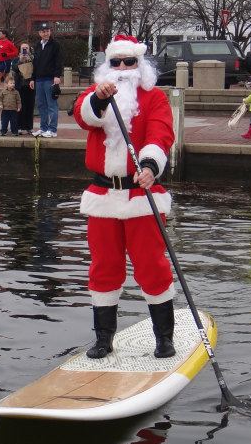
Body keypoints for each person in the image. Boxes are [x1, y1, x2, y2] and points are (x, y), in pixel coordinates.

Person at [72, 34, 177, 360]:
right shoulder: (96, 94)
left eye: (128, 62)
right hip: (103, 195)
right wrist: (100, 100)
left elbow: (162, 132)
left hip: (140, 196)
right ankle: (104, 339)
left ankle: (164, 338)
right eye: (115, 62)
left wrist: (149, 165)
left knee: (152, 267)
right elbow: (82, 116)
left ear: (139, 65)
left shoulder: (154, 97)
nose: (121, 68)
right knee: (103, 267)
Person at [29, 23, 62, 138]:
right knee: (41, 105)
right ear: (39, 33)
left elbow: (58, 60)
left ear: (50, 32)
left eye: (47, 30)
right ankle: (43, 128)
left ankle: (52, 130)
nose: (45, 33)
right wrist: (33, 78)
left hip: (50, 79)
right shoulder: (37, 45)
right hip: (39, 79)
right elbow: (35, 63)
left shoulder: (55, 44)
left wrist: (57, 76)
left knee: (52, 105)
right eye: (43, 31)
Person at [12, 43, 35, 135]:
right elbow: (14, 69)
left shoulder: (33, 59)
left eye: (26, 48)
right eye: (23, 48)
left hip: (30, 86)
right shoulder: (16, 59)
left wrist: (30, 62)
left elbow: (36, 70)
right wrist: (20, 61)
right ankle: (19, 126)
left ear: (29, 49)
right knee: (20, 106)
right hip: (19, 86)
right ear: (20, 50)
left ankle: (29, 127)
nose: (25, 49)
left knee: (30, 106)